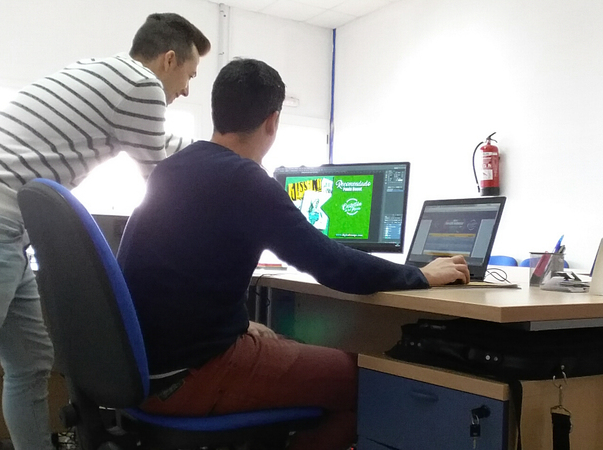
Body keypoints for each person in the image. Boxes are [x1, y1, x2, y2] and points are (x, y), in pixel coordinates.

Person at [116, 58, 470, 450]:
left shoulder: (171, 169)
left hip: (141, 373)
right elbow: (333, 265)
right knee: (368, 381)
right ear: (273, 121)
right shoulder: (245, 180)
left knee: (284, 343)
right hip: (190, 377)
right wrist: (420, 275)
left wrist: (237, 324)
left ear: (217, 111)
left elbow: (177, 278)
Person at [0, 13, 210, 449]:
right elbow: (162, 177)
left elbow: (162, 146)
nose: (186, 90)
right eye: (190, 75)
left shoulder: (102, 70)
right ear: (169, 60)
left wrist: (215, 150)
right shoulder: (143, 86)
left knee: (31, 363)